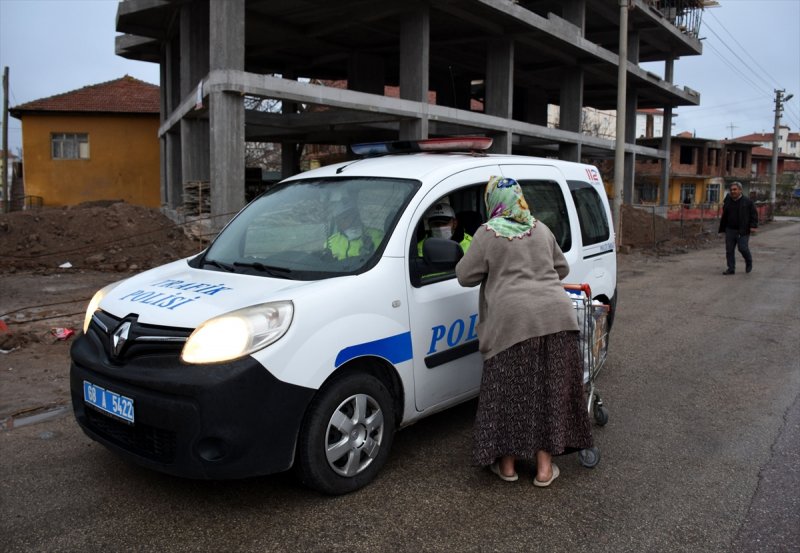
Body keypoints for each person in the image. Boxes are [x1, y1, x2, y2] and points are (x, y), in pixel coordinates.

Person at [455, 175, 592, 486]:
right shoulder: (540, 228)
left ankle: (508, 467)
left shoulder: (487, 234)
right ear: (520, 198)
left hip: (512, 322)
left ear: (492, 201)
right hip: (557, 317)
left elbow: (465, 275)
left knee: (509, 393)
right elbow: (562, 269)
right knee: (548, 392)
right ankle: (544, 470)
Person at [718, 181, 758, 275]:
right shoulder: (727, 201)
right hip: (730, 229)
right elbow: (725, 215)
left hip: (743, 230)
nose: (733, 191)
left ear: (740, 190)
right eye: (731, 190)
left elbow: (754, 215)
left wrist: (753, 226)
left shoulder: (747, 202)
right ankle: (731, 268)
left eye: (735, 189)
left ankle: (749, 261)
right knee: (729, 250)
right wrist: (723, 229)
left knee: (742, 248)